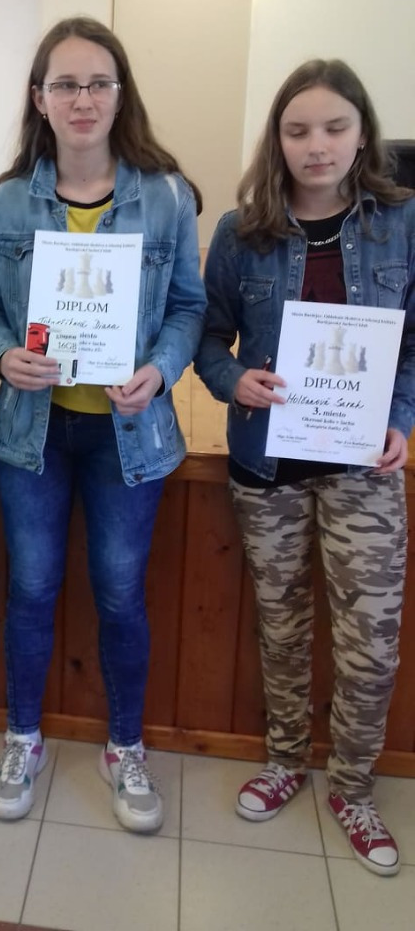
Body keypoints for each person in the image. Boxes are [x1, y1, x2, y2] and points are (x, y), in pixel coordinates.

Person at [0, 16, 206, 832]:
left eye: (97, 83)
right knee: (32, 588)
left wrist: (161, 370)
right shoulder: (8, 201)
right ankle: (23, 738)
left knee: (118, 592)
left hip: (126, 436)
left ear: (119, 94)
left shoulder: (165, 197)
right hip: (33, 432)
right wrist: (2, 356)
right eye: (65, 84)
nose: (82, 99)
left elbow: (187, 309)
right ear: (39, 97)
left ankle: (124, 747)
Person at [194, 59, 415, 876]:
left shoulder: (402, 222)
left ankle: (351, 789)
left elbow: (413, 346)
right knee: (281, 629)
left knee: (370, 648)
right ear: (276, 140)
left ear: (361, 134)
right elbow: (206, 335)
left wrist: (400, 419)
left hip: (362, 467)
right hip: (268, 463)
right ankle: (285, 758)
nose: (315, 145)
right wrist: (232, 378)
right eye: (297, 131)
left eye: (333, 128)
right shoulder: (240, 231)